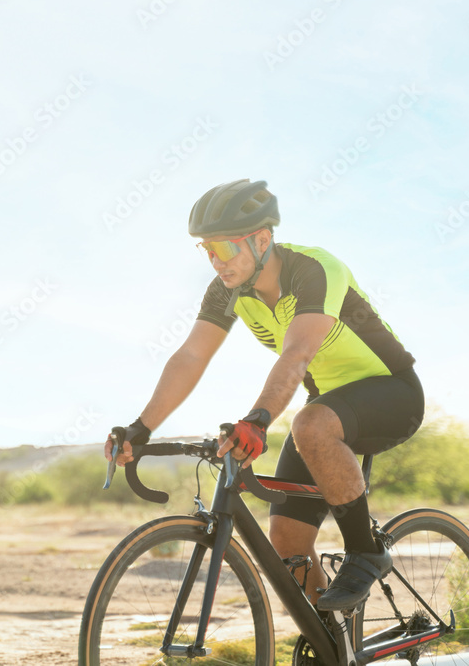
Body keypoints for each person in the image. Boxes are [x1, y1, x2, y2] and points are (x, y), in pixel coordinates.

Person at [104, 179, 424, 611]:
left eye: (224, 247)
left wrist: (257, 421)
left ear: (261, 238)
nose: (215, 261)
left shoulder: (314, 269)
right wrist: (140, 428)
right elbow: (191, 356)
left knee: (309, 423)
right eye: (206, 249)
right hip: (329, 410)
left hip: (392, 393)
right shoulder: (228, 290)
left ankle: (366, 551)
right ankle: (331, 646)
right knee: (287, 541)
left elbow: (297, 354)